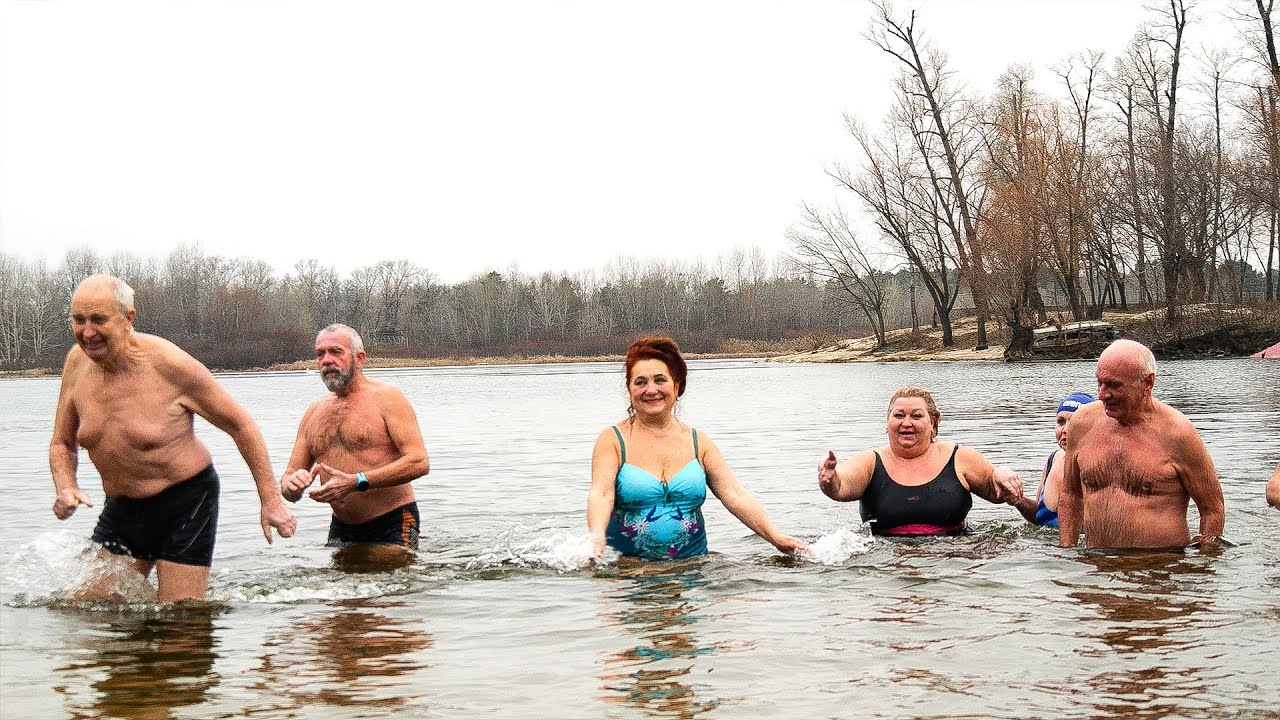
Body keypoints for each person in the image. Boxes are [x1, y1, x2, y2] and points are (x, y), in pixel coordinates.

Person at [49, 274, 296, 602]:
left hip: (185, 503)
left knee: (180, 625)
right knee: (83, 608)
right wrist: (66, 487)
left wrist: (271, 501)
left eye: (98, 320)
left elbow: (241, 426)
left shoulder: (172, 366)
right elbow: (62, 443)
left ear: (128, 318)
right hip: (122, 508)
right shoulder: (76, 363)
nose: (87, 332)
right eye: (78, 320)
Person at [587, 336, 804, 559]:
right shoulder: (612, 440)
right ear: (630, 389)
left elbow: (734, 494)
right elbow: (601, 493)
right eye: (640, 382)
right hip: (634, 575)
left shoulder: (698, 442)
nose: (650, 390)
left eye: (660, 380)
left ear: (677, 385)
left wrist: (775, 537)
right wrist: (596, 536)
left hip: (695, 573)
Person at [1058, 339, 1225, 550]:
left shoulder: (1178, 433)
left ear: (1147, 383)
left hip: (1160, 567)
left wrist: (1203, 566)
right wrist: (1067, 554)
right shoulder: (1083, 423)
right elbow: (1070, 494)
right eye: (1099, 383)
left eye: (1113, 385)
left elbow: (1212, 509)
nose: (1102, 394)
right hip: (1096, 568)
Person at [280, 323, 429, 550]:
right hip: (342, 527)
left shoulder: (387, 398)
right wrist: (292, 486)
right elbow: (289, 478)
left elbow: (419, 462)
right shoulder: (314, 411)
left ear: (359, 359)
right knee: (339, 584)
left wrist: (357, 481)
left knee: (396, 583)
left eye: (336, 352)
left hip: (392, 519)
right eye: (320, 354)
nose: (327, 360)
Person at [817, 386, 1025, 536]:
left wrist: (1001, 472)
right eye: (899, 415)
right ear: (888, 422)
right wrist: (830, 479)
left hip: (954, 554)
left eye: (916, 416)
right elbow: (841, 487)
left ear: (932, 423)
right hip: (886, 558)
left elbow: (995, 491)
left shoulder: (960, 457)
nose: (906, 423)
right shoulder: (870, 462)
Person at [1012, 392, 1095, 529]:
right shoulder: (1053, 460)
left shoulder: (1097, 470)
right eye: (1061, 422)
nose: (1065, 429)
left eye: (1074, 422)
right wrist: (1018, 500)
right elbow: (1040, 518)